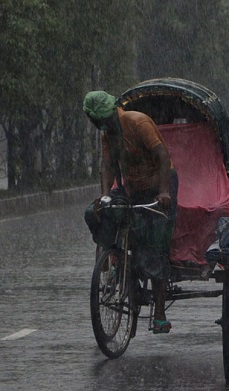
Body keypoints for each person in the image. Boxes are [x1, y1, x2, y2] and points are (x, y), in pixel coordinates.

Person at [83, 90, 178, 334]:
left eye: (104, 120)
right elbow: (107, 165)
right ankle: (112, 258)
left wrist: (164, 192)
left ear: (115, 111)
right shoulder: (108, 134)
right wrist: (105, 195)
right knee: (96, 212)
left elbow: (163, 156)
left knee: (155, 245)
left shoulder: (137, 122)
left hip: (159, 186)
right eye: (98, 123)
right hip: (132, 188)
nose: (102, 126)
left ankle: (159, 311)